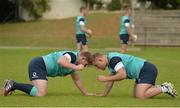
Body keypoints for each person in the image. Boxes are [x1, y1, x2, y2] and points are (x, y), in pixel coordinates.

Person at [3, 51, 93, 97]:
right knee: (41, 93)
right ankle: (13, 84)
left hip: (42, 69)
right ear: (83, 58)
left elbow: (77, 79)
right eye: (85, 64)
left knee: (36, 91)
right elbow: (61, 61)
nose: (83, 67)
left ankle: (11, 84)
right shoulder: (73, 55)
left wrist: (86, 93)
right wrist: (76, 67)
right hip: (38, 64)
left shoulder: (74, 64)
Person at [92, 52, 177, 99]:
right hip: (141, 72)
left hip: (146, 70)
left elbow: (122, 75)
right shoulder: (111, 62)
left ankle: (165, 88)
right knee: (135, 95)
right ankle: (158, 88)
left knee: (141, 96)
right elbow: (112, 79)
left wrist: (105, 78)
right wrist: (104, 94)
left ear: (100, 59)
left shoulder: (113, 60)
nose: (97, 68)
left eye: (96, 65)